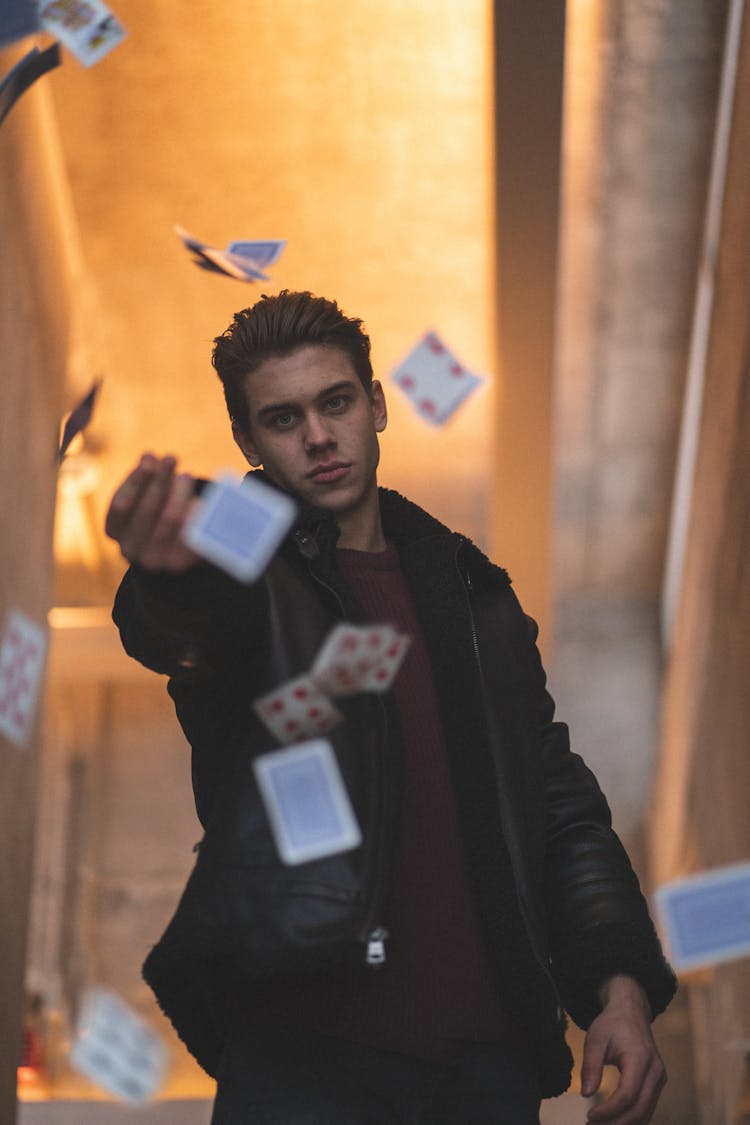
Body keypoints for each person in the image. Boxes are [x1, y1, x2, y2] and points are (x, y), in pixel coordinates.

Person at [105, 290, 676, 1125]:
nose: (318, 436)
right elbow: (185, 624)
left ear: (376, 405)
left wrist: (619, 989)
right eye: (283, 418)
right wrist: (167, 573)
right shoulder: (253, 575)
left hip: (489, 1074)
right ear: (248, 443)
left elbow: (558, 809)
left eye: (335, 402)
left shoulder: (477, 600)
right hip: (304, 1061)